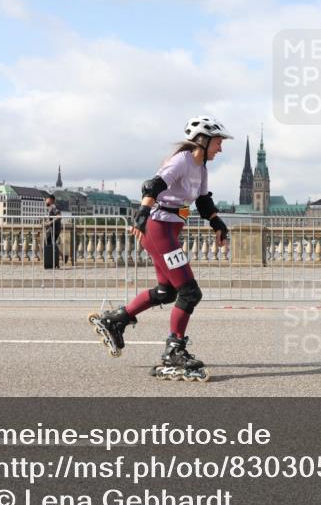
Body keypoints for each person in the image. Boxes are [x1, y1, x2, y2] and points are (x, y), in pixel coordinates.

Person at [97, 116, 232, 381]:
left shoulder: (201, 167)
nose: (221, 148)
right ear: (203, 141)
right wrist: (142, 213)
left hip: (170, 230)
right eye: (218, 142)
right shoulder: (182, 160)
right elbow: (154, 185)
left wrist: (218, 223)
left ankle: (116, 320)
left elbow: (203, 201)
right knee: (189, 292)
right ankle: (174, 350)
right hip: (159, 230)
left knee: (166, 291)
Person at [43, 194, 62, 269]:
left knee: (49, 244)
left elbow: (59, 216)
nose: (45, 201)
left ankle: (56, 262)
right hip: (53, 229)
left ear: (51, 199)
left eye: (46, 199)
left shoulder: (54, 207)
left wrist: (49, 223)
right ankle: (59, 259)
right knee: (51, 244)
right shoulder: (51, 207)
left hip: (54, 230)